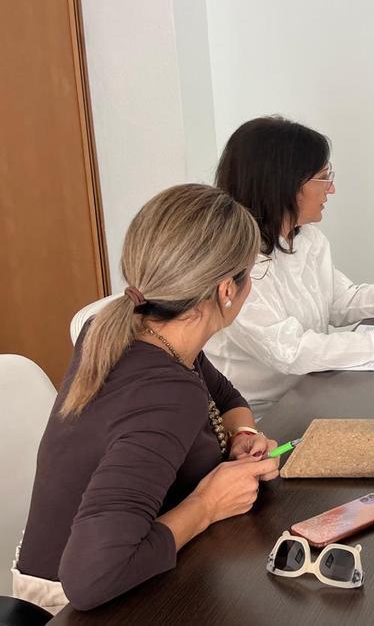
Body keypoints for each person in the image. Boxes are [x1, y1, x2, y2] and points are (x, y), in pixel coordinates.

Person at [15, 184, 280, 613]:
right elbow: (90, 577)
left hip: (87, 570)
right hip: (70, 607)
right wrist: (208, 504)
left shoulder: (135, 329)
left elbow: (223, 394)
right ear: (226, 289)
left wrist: (241, 433)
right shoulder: (165, 388)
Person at [206, 116, 374, 414]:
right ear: (284, 184)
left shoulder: (307, 240)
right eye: (324, 177)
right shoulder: (237, 264)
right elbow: (292, 351)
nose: (331, 189)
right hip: (259, 419)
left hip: (310, 390)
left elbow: (339, 301)